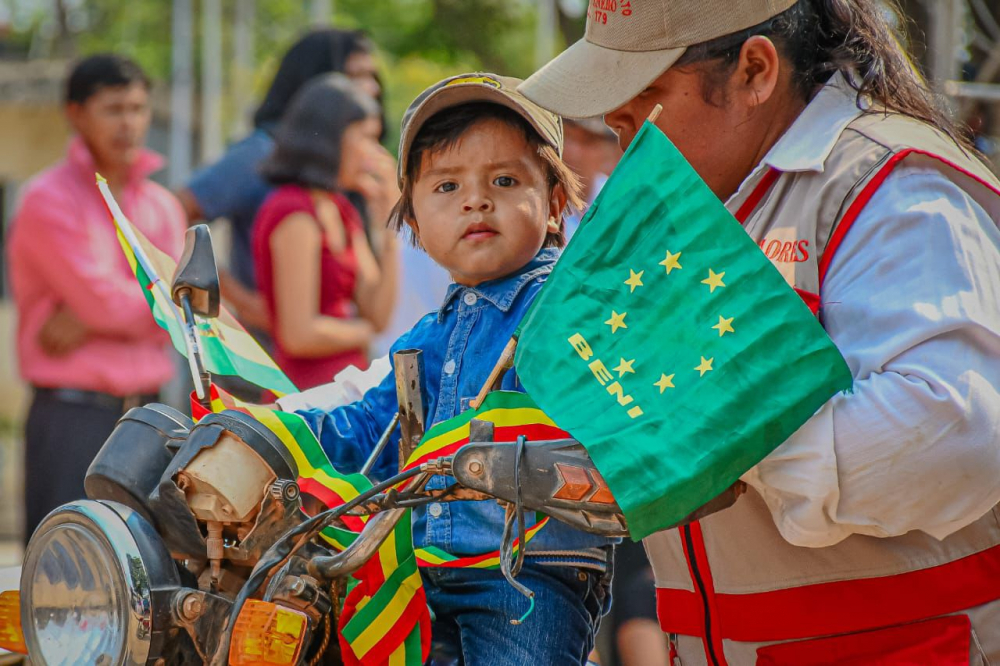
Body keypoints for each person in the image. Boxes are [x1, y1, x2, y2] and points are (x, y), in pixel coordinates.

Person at [515, 0, 1000, 662]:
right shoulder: (692, 197)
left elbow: (957, 436)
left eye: (643, 95)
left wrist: (710, 438)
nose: (616, 125)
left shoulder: (889, 185)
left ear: (754, 71)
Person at [292, 73, 614, 665]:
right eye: (447, 185)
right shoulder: (427, 338)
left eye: (504, 180)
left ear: (555, 206)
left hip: (525, 575)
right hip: (423, 576)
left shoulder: (561, 311)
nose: (475, 199)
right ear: (412, 222)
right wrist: (273, 431)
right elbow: (370, 428)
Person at [7, 54, 185, 542]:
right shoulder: (48, 199)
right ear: (76, 113)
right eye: (113, 109)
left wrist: (94, 316)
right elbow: (118, 302)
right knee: (66, 577)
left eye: (138, 108)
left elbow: (180, 308)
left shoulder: (161, 205)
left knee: (150, 582)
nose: (130, 123)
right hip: (73, 418)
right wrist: (145, 302)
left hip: (149, 420)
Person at [177, 28, 381, 331]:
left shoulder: (346, 166)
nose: (371, 88)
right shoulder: (260, 154)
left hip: (332, 345)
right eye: (355, 75)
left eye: (372, 76)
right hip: (266, 356)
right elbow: (173, 212)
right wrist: (238, 298)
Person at [252, 74, 398, 390]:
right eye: (364, 138)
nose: (373, 153)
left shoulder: (341, 209)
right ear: (332, 138)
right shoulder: (293, 210)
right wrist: (365, 332)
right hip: (305, 395)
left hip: (345, 390)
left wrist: (389, 227)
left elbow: (379, 313)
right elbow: (299, 335)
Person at [562, 116, 620, 240]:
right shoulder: (539, 202)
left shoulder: (620, 202)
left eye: (587, 141)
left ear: (607, 152)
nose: (574, 152)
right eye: (567, 138)